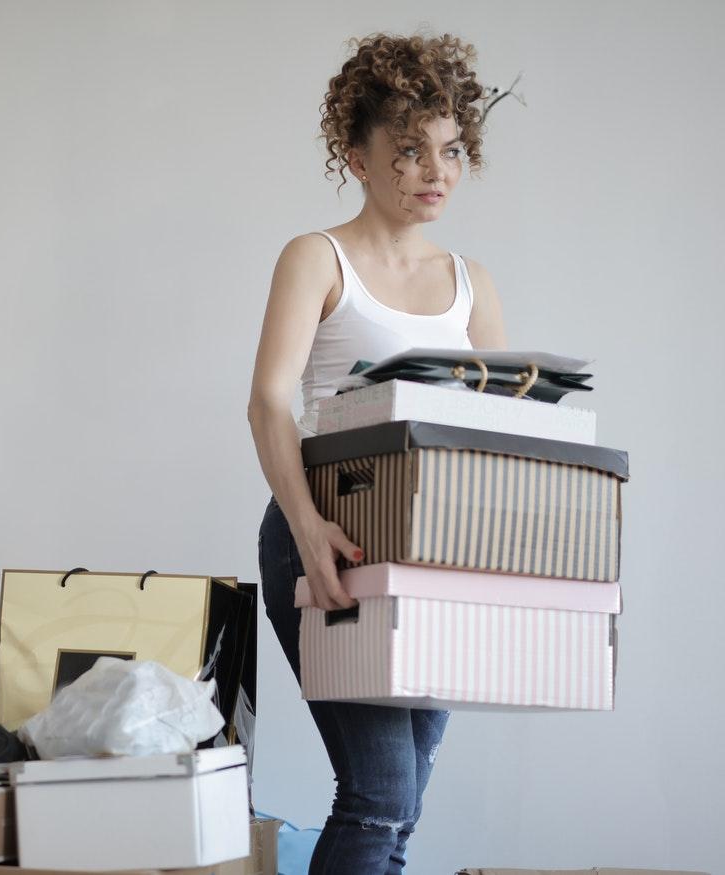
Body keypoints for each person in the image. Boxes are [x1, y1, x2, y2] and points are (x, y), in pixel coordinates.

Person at [246, 33, 508, 874]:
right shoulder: (316, 258)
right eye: (407, 152)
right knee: (381, 791)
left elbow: (499, 434)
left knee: (401, 801)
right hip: (330, 532)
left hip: (434, 551)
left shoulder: (472, 282)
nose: (435, 171)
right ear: (356, 158)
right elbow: (268, 403)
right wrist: (308, 527)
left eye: (450, 150)